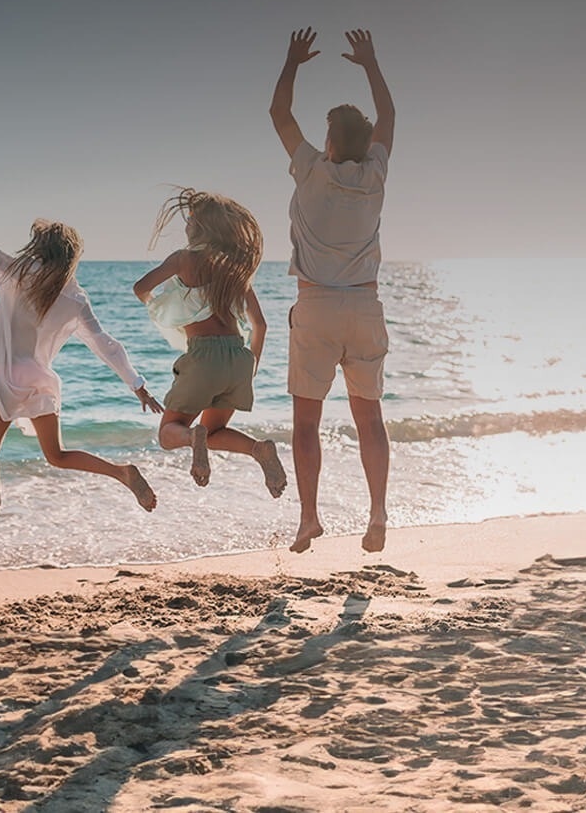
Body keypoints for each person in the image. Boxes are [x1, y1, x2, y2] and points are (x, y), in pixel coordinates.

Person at [0, 168, 163, 516]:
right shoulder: (76, 298)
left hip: (4, 374)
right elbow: (106, 345)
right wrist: (137, 385)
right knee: (57, 456)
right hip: (39, 380)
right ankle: (121, 473)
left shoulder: (15, 273)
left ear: (39, 248)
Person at [269, 28, 396, 555]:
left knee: (306, 421)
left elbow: (279, 113)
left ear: (332, 142)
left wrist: (292, 59)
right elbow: (389, 115)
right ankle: (379, 512)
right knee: (369, 416)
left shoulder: (311, 172)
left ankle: (308, 519)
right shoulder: (374, 175)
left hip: (317, 304)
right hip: (364, 305)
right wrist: (370, 63)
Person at [132, 188, 288, 497]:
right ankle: (259, 450)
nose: (187, 226)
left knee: (167, 434)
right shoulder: (235, 269)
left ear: (202, 227)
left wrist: (168, 306)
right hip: (239, 358)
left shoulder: (183, 259)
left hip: (204, 357)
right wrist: (250, 368)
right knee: (216, 431)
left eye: (190, 220)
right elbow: (261, 325)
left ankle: (193, 437)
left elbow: (140, 288)